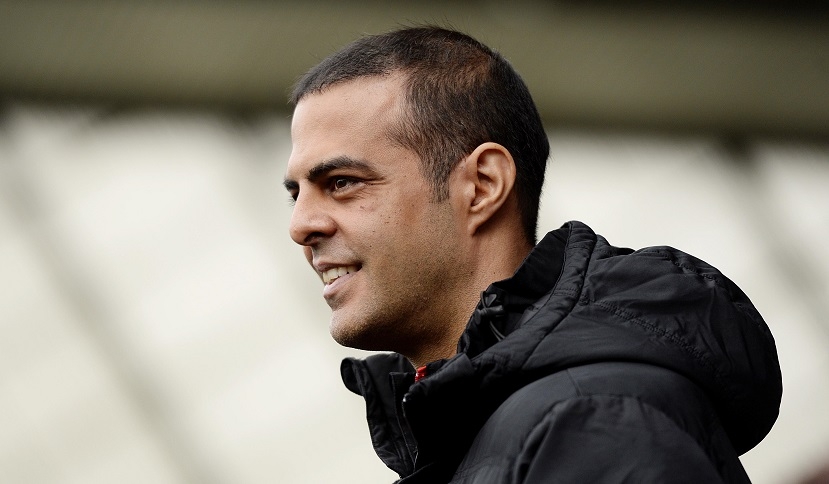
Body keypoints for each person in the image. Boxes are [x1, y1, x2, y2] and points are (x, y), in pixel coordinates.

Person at [283, 26, 782, 483]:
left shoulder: (589, 422)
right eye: (296, 194)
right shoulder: (508, 427)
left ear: (482, 186)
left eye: (341, 182)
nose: (300, 226)